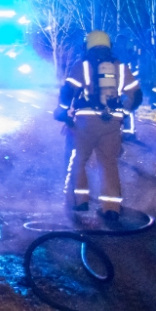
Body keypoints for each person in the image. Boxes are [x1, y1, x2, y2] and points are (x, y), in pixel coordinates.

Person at [55, 30, 143, 221]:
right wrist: (124, 113)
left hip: (85, 124)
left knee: (78, 161)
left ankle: (80, 202)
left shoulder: (83, 66)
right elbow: (136, 95)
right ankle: (111, 208)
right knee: (109, 164)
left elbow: (67, 91)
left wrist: (62, 111)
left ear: (88, 46)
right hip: (111, 123)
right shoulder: (120, 67)